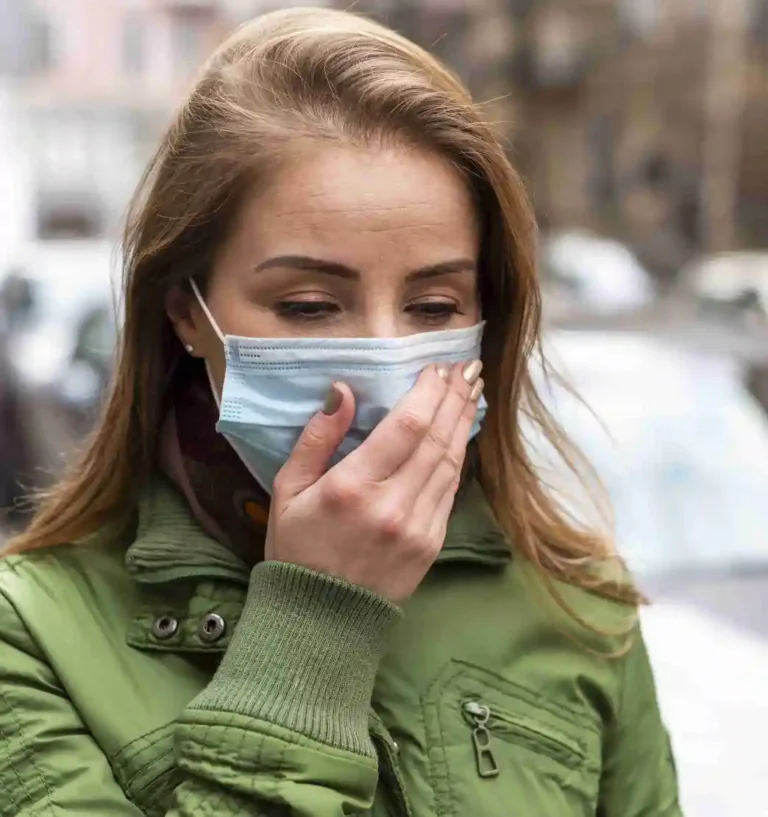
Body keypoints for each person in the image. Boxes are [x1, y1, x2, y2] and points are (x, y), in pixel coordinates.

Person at [0, 8, 681, 816]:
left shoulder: (580, 606)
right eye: (311, 304)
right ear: (186, 312)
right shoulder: (33, 636)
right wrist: (313, 628)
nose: (385, 367)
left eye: (433, 306)